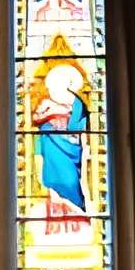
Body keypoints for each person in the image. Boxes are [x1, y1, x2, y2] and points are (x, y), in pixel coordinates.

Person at [34, 58, 89, 230]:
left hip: (71, 146)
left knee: (71, 180)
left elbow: (78, 125)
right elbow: (37, 119)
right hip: (50, 142)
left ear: (68, 82)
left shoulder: (77, 102)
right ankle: (57, 216)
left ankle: (77, 212)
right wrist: (49, 118)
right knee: (46, 137)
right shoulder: (47, 100)